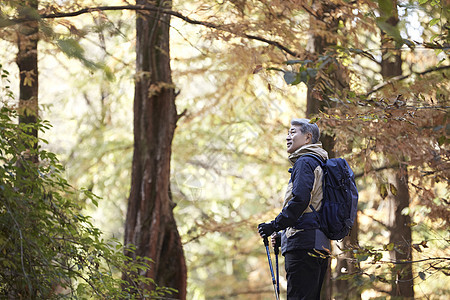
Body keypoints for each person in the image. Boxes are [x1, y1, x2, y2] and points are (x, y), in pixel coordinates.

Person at [258, 118, 330, 300]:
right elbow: (314, 207)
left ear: (307, 138)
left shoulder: (305, 162)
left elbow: (300, 200)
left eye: (292, 132)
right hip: (317, 243)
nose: (287, 137)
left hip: (303, 246)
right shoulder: (319, 162)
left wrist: (274, 226)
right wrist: (283, 235)